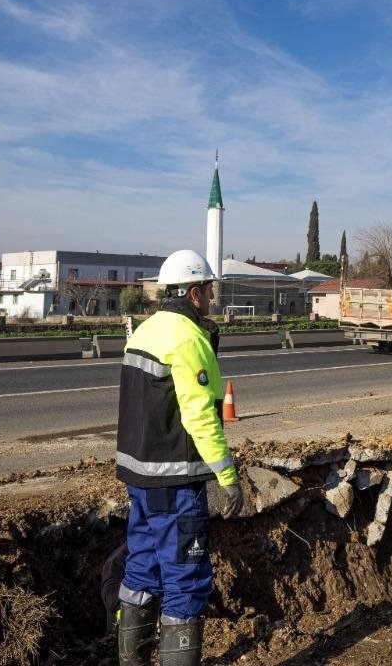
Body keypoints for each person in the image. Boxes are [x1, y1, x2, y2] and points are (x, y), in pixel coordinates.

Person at [115, 249, 250, 666]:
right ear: (193, 294)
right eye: (208, 291)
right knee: (185, 583)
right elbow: (200, 415)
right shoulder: (189, 337)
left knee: (141, 572)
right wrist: (228, 476)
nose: (211, 299)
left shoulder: (144, 331)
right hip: (174, 484)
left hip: (139, 479)